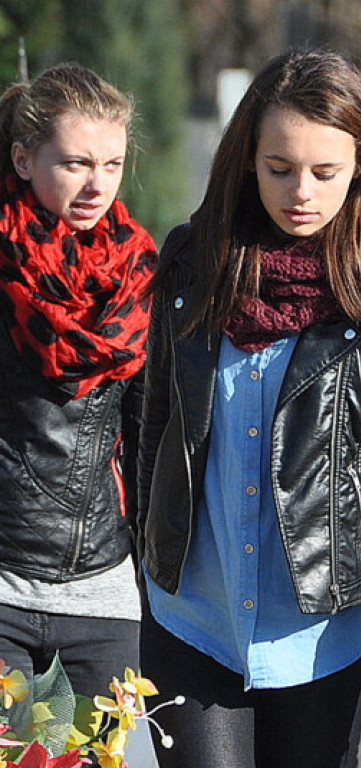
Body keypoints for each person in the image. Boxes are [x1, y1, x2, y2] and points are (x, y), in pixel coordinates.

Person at [136, 49, 361, 768]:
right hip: (193, 626)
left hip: (329, 642)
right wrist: (145, 570)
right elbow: (154, 432)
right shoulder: (193, 265)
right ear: (247, 160)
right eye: (278, 168)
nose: (301, 193)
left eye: (325, 172)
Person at [0, 63, 156, 699]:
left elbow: (151, 437)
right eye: (76, 164)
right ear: (23, 159)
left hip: (103, 595)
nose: (98, 185)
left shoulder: (142, 274)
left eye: (113, 165)